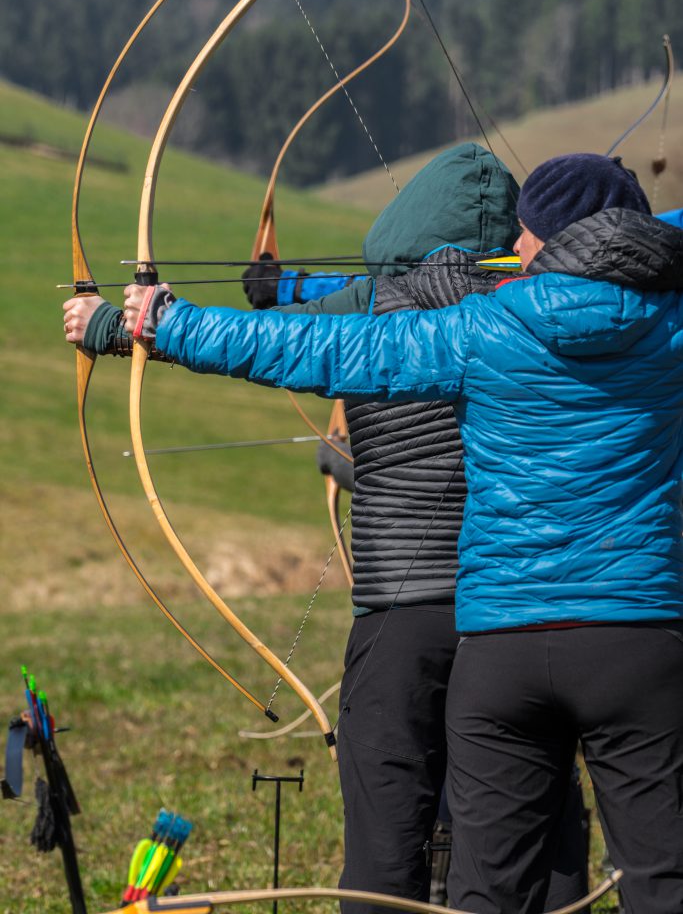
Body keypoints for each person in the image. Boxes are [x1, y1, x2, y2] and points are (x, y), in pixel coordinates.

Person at [121, 151, 683, 913]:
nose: (513, 250)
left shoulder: (477, 328)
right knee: (661, 881)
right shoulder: (670, 322)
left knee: (492, 890)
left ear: (547, 241)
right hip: (638, 641)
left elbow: (318, 348)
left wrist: (167, 321)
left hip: (503, 649)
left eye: (523, 236)